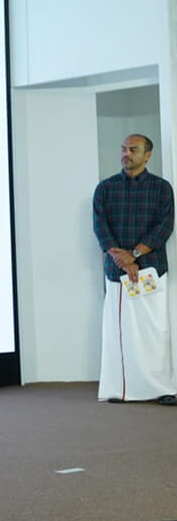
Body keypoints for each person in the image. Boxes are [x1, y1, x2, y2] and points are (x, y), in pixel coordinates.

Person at [93, 133, 176, 405]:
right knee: (120, 334)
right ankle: (120, 390)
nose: (126, 154)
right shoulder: (105, 189)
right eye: (123, 149)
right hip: (118, 274)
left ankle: (162, 388)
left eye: (133, 150)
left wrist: (135, 254)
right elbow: (100, 227)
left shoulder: (162, 189)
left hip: (151, 271)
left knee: (155, 331)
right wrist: (122, 259)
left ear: (147, 155)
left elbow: (165, 226)